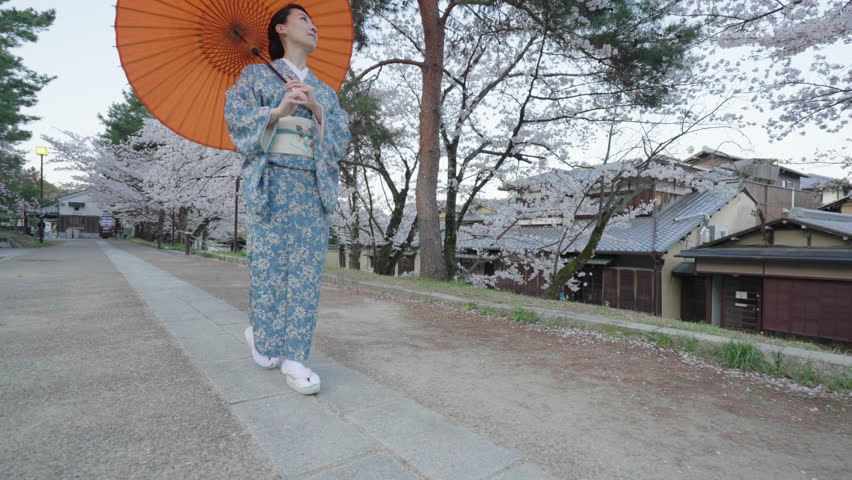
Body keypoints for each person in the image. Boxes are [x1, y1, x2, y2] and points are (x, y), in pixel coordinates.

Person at [224, 3, 350, 395]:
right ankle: (263, 337)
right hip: (273, 183)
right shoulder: (256, 75)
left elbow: (340, 143)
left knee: (306, 273)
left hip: (310, 188)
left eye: (313, 22)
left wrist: (316, 109)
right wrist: (277, 111)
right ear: (280, 30)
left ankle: (296, 356)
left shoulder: (324, 91)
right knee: (269, 267)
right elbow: (237, 120)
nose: (312, 27)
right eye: (302, 21)